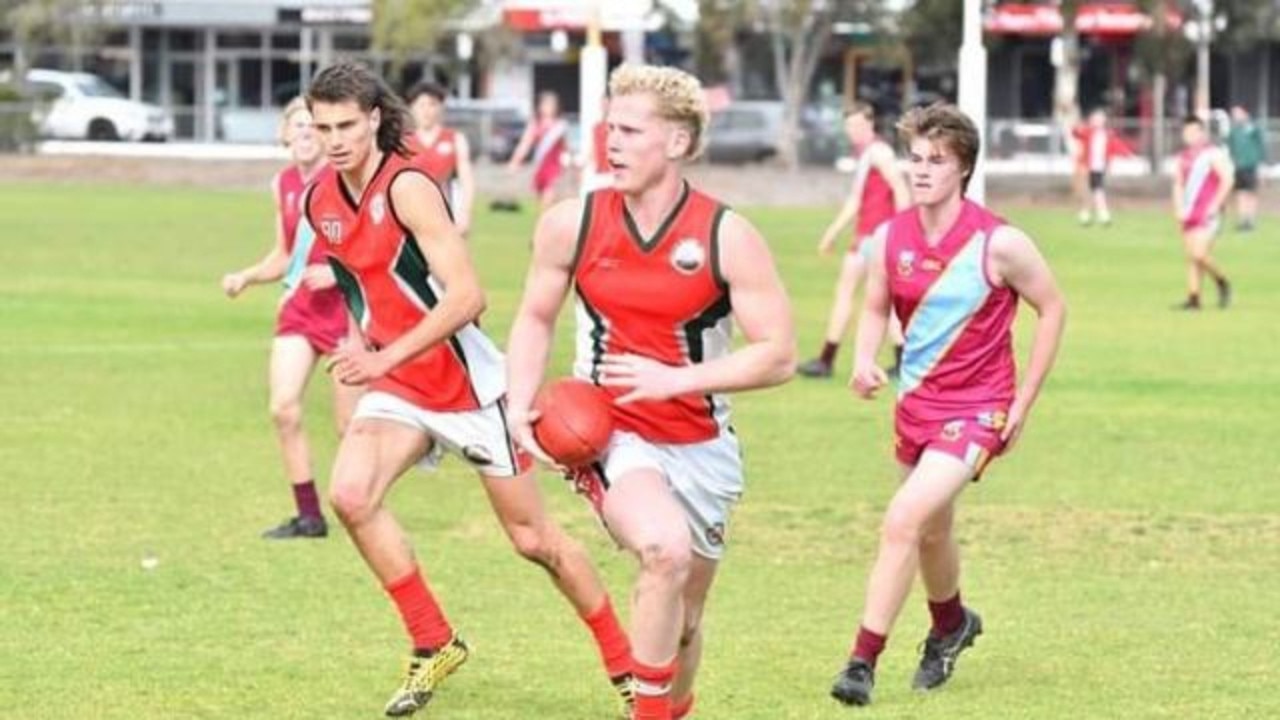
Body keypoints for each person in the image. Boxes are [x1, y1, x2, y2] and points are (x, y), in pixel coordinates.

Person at [301, 62, 632, 717]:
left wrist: (383, 352)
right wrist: (359, 336)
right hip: (398, 385)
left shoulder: (411, 188)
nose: (334, 139)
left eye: (345, 125)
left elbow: (469, 296)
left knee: (536, 542)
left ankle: (628, 670)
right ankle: (434, 641)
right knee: (349, 493)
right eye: (321, 127)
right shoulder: (320, 200)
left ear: (374, 119)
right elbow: (369, 282)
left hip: (466, 386)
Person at [506, 63, 796, 720]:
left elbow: (779, 354)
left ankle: (670, 706)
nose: (612, 143)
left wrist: (677, 380)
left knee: (686, 619)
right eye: (610, 127)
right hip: (610, 432)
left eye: (631, 131)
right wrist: (519, 405)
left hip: (701, 442)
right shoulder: (569, 225)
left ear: (677, 141)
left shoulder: (728, 235)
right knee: (662, 550)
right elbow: (533, 316)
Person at [828, 103, 1066, 707]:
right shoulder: (892, 237)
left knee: (904, 519)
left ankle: (861, 661)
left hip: (979, 408)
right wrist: (862, 357)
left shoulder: (1000, 242)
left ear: (963, 169)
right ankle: (952, 624)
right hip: (916, 404)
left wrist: (1023, 403)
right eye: (915, 159)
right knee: (931, 532)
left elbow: (1054, 308)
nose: (922, 170)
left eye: (937, 160)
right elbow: (877, 304)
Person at [221, 97, 359, 540]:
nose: (303, 132)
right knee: (283, 408)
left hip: (346, 313)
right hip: (300, 310)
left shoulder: (343, 182)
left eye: (310, 126)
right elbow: (284, 256)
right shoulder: (281, 185)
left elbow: (375, 249)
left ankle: (363, 504)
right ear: (283, 135)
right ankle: (309, 516)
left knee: (348, 427)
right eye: (295, 126)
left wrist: (337, 271)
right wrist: (247, 276)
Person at [798, 102, 910, 379]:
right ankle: (900, 361)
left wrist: (904, 231)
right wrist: (832, 233)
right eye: (849, 126)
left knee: (853, 294)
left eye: (858, 125)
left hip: (875, 238)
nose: (852, 131)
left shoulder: (879, 152)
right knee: (877, 298)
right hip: (869, 237)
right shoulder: (867, 154)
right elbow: (855, 201)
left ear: (870, 125)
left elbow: (899, 187)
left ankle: (827, 360)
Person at [1172, 116, 1234, 311]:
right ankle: (1194, 298)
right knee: (1191, 256)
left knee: (1199, 254)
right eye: (1186, 132)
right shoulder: (1182, 157)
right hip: (1189, 211)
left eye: (1193, 132)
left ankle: (1222, 281)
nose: (1189, 136)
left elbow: (1227, 179)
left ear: (1201, 133)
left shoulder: (1212, 154)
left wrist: (1216, 204)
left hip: (1207, 211)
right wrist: (1178, 207)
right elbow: (1178, 184)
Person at [404, 80, 475, 236]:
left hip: (445, 215)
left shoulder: (455, 139)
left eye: (432, 104)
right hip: (411, 217)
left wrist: (465, 213)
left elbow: (466, 179)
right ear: (412, 108)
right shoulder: (404, 143)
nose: (426, 110)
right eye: (421, 105)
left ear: (441, 107)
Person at [507, 91, 569, 211]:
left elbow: (566, 148)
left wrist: (569, 164)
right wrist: (515, 161)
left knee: (548, 202)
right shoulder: (535, 124)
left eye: (551, 105)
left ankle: (550, 226)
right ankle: (546, 227)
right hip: (540, 169)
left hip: (554, 169)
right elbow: (525, 144)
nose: (547, 108)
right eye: (545, 104)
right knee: (542, 207)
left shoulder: (560, 126)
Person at [1071, 108, 1132, 227]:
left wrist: (1128, 155)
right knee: (1091, 191)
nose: (1098, 121)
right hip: (1087, 166)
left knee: (1096, 190)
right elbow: (1075, 133)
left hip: (1099, 168)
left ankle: (1091, 215)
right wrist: (1075, 124)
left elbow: (1116, 146)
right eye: (1096, 118)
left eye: (1100, 118)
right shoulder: (1088, 131)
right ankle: (1097, 215)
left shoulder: (1108, 134)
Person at [1226, 104, 1266, 232]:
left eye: (1238, 113)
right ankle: (1242, 220)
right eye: (1234, 114)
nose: (1236, 116)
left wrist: (1261, 165)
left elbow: (1261, 146)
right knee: (1240, 193)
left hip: (1251, 165)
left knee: (1251, 193)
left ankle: (1251, 220)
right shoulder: (1233, 131)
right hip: (1239, 166)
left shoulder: (1253, 128)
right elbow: (1229, 146)